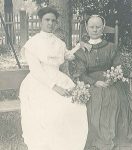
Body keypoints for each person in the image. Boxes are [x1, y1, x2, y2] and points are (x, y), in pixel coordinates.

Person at [74, 15, 132, 150]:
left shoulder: (111, 47)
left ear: (103, 28)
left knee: (114, 97)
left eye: (98, 27)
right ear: (86, 28)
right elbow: (81, 73)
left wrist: (111, 77)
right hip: (91, 84)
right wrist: (95, 82)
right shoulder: (82, 50)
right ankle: (97, 137)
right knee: (95, 99)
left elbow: (118, 66)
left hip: (110, 82)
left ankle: (117, 134)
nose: (95, 30)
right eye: (92, 27)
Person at [19, 6, 88, 150]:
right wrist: (55, 87)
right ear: (40, 21)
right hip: (39, 82)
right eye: (47, 20)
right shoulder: (32, 44)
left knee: (75, 106)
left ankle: (68, 143)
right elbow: (36, 71)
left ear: (56, 23)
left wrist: (79, 46)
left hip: (58, 77)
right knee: (52, 109)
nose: (50, 23)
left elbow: (66, 55)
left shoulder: (59, 43)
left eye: (53, 21)